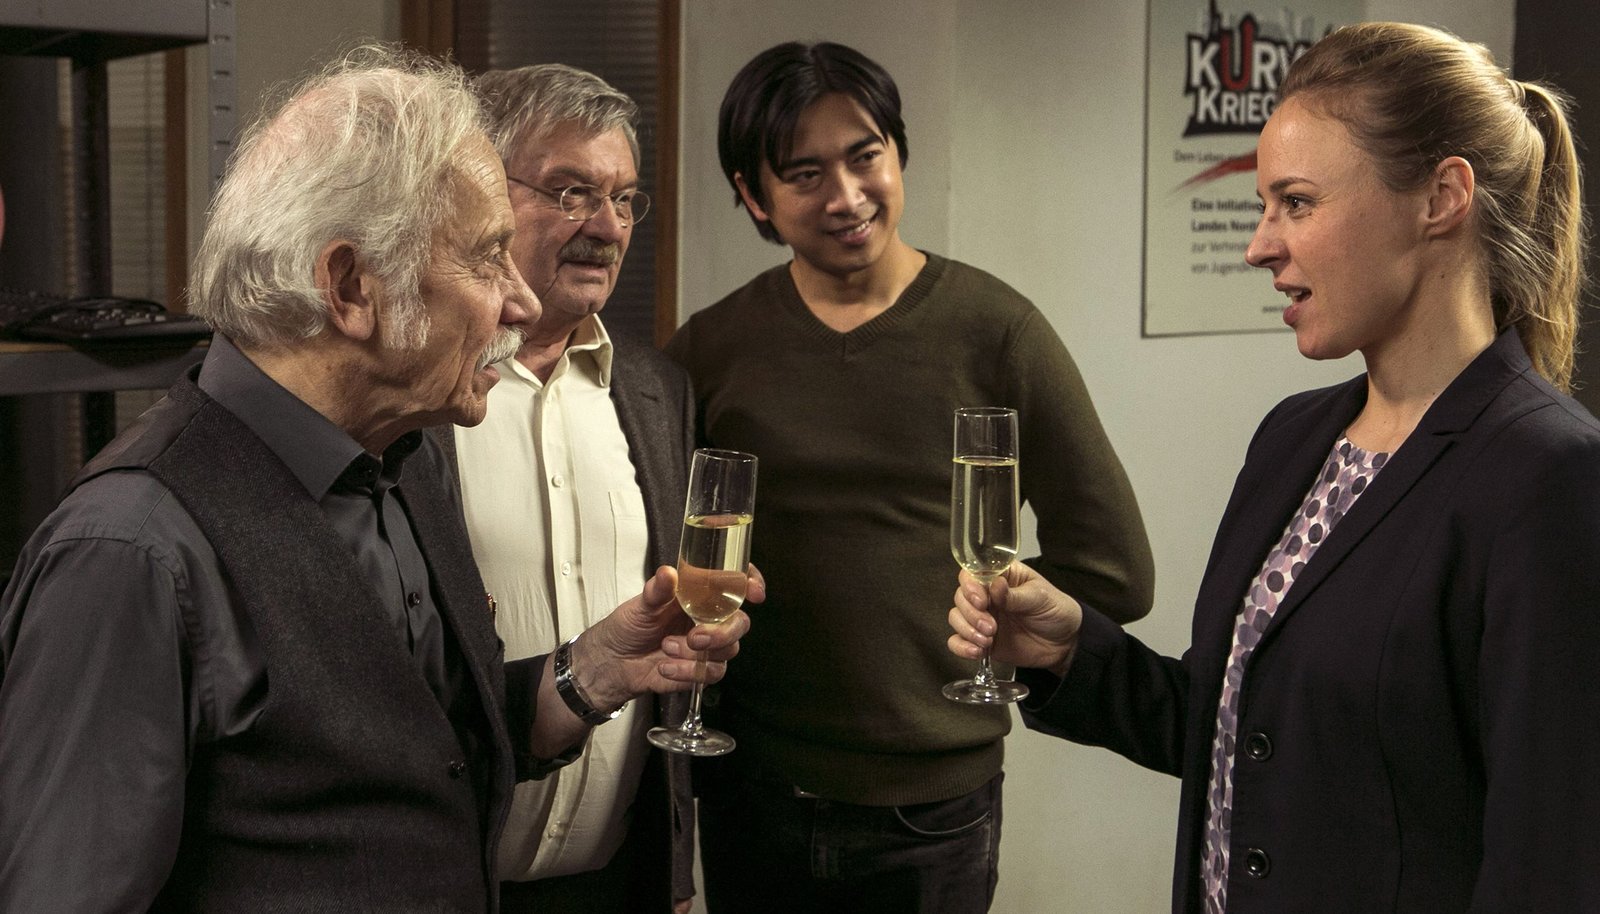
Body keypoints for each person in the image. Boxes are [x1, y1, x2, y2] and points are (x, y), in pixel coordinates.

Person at [0, 47, 753, 912]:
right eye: (486, 258)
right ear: (352, 286)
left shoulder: (402, 464)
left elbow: (436, 753)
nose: (519, 302)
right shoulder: (128, 552)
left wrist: (595, 669)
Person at [947, 21, 1600, 914]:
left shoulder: (1549, 476)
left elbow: (1547, 863)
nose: (1259, 245)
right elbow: (1251, 736)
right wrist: (1069, 652)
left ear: (1442, 197)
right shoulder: (1294, 437)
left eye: (1296, 202)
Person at [667, 41, 1155, 911]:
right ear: (753, 194)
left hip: (935, 810)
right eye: (805, 174)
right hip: (751, 794)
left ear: (900, 153)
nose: (846, 196)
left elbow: (1115, 570)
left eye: (866, 157)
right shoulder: (710, 347)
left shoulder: (998, 332)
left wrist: (993, 628)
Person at [440, 64, 700, 913]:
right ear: (481, 192)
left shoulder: (660, 394)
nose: (607, 226)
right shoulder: (419, 395)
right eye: (572, 191)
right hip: (450, 886)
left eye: (623, 199)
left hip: (618, 883)